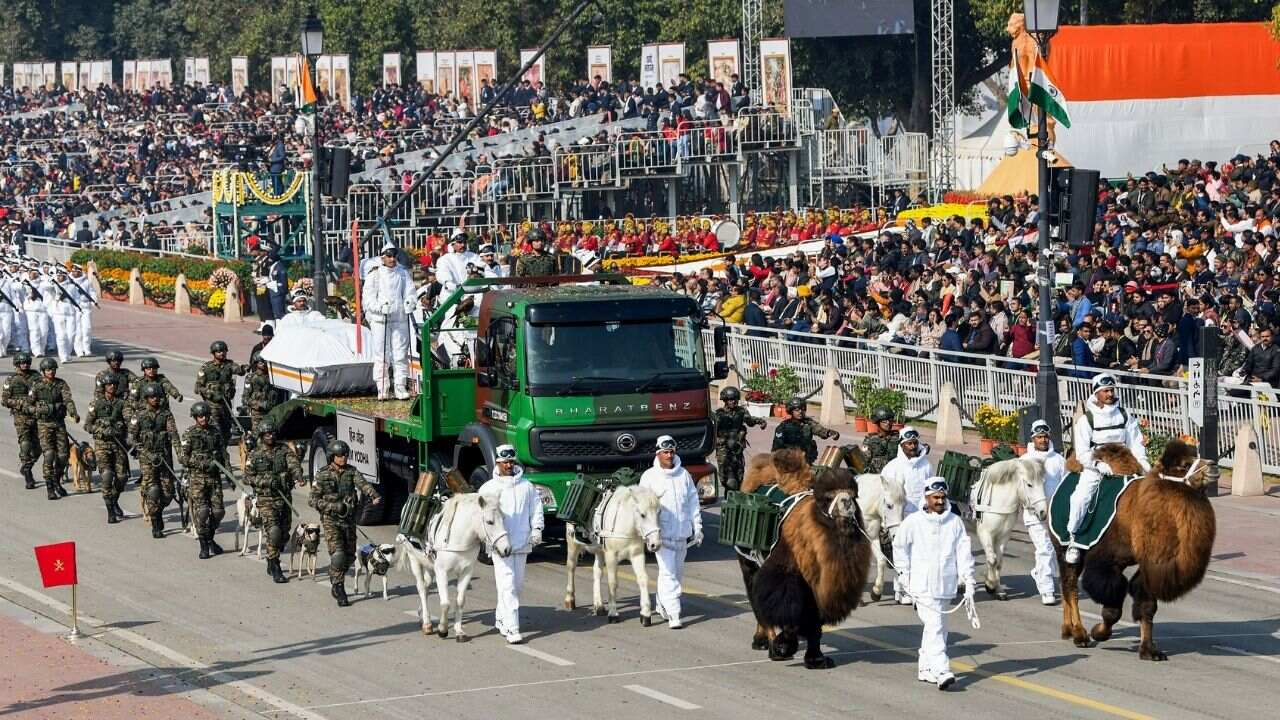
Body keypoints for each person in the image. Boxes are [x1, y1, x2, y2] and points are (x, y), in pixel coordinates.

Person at [892, 478, 976, 691]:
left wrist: (969, 579)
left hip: (946, 585)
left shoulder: (954, 522)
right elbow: (899, 547)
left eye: (942, 497)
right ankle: (942, 669)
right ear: (926, 498)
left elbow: (963, 553)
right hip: (921, 585)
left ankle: (926, 668)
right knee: (936, 626)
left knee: (938, 628)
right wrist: (904, 576)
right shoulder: (914, 521)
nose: (939, 501)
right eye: (935, 497)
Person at [1065, 373, 1150, 564]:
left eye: (1112, 390)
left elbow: (1135, 441)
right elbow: (1082, 453)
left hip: (1124, 462)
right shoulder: (1086, 420)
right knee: (1080, 498)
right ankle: (1073, 540)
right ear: (1096, 394)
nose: (1110, 394)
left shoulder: (1124, 414)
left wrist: (1143, 462)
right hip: (1097, 464)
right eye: (1105, 391)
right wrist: (1099, 465)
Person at [479, 444, 544, 643]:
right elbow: (482, 518)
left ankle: (501, 617)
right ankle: (512, 628)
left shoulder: (527, 486)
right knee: (508, 586)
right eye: (504, 462)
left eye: (511, 461)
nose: (508, 465)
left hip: (523, 542)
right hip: (500, 546)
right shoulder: (488, 488)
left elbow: (537, 508)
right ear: (497, 462)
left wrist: (537, 530)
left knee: (516, 585)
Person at [639, 435, 702, 630]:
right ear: (658, 453)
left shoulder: (683, 475)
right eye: (665, 452)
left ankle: (661, 604)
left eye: (672, 452)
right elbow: (642, 509)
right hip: (662, 535)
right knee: (669, 575)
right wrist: (647, 534)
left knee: (676, 573)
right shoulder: (649, 477)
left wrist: (698, 527)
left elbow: (693, 502)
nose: (669, 455)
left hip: (682, 534)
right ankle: (674, 613)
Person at [310, 439, 382, 607]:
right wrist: (333, 506)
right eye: (339, 455)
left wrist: (373, 495)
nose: (343, 458)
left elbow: (363, 484)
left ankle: (335, 573)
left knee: (349, 556)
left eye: (345, 455)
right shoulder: (322, 475)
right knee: (338, 554)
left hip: (349, 521)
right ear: (332, 456)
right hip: (331, 520)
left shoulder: (351, 472)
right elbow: (312, 500)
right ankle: (338, 586)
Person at [244, 419, 304, 583]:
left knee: (284, 534)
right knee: (274, 532)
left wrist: (298, 477)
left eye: (273, 433)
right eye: (267, 434)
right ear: (262, 435)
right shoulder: (255, 455)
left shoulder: (283, 450)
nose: (271, 436)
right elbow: (247, 477)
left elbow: (293, 465)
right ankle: (276, 564)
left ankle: (271, 558)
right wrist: (266, 481)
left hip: (284, 498)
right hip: (266, 499)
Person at [881, 425, 933, 603]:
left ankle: (910, 588)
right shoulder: (892, 467)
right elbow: (886, 497)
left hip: (921, 517)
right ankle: (902, 589)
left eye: (914, 443)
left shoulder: (926, 465)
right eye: (908, 443)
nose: (912, 446)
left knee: (919, 554)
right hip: (900, 518)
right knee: (902, 555)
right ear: (902, 445)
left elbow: (930, 491)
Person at [362, 243, 415, 400]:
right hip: (381, 321)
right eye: (389, 256)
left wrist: (410, 302)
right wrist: (379, 308)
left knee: (400, 354)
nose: (392, 259)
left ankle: (400, 387)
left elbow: (410, 292)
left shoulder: (403, 274)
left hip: (399, 319)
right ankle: (382, 388)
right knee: (382, 356)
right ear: (382, 257)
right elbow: (368, 299)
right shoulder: (375, 275)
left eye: (394, 256)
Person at [1022, 419, 1065, 605]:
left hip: (1055, 515)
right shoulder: (1024, 461)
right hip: (1034, 515)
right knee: (1045, 549)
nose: (1043, 440)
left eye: (1046, 436)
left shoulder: (1058, 460)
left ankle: (1040, 573)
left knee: (1055, 552)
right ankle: (1047, 590)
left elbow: (1066, 486)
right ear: (1033, 438)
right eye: (1039, 437)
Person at [181, 402, 232, 559]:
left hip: (214, 479)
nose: (204, 419)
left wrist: (229, 474)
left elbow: (224, 455)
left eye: (206, 416)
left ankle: (209, 538)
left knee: (218, 512)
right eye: (200, 416)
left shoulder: (215, 432)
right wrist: (201, 464)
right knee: (202, 512)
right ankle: (204, 544)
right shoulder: (189, 434)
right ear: (195, 417)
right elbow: (183, 457)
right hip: (197, 480)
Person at [130, 383, 180, 537]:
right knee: (153, 490)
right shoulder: (138, 416)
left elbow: (174, 435)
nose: (155, 399)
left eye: (157, 397)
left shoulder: (166, 414)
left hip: (164, 457)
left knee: (168, 492)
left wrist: (180, 454)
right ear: (146, 398)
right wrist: (145, 453)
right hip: (147, 459)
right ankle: (155, 522)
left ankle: (158, 510)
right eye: (152, 397)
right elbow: (131, 439)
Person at [28, 357, 78, 500]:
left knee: (63, 456)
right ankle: (50, 486)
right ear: (43, 371)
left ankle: (56, 480)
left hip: (59, 424)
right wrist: (40, 410)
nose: (51, 372)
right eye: (48, 370)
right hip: (44, 425)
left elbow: (68, 400)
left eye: (53, 369)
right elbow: (28, 405)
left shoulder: (60, 384)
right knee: (49, 455)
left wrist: (73, 412)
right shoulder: (36, 385)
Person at [84, 375, 129, 524]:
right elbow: (87, 425)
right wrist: (101, 431)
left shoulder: (122, 404)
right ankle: (110, 510)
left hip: (118, 444)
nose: (112, 387)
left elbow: (130, 421)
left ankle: (114, 499)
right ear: (104, 387)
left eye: (114, 384)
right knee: (107, 476)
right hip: (102, 445)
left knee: (122, 477)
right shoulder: (96, 404)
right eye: (109, 385)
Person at [711, 386, 766, 491]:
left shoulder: (741, 411)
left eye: (735, 399)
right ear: (725, 401)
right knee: (725, 476)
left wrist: (760, 421)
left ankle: (736, 495)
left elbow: (750, 421)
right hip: (724, 449)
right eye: (730, 400)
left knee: (739, 475)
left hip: (737, 448)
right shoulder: (719, 414)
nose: (733, 402)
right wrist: (722, 441)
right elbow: (712, 431)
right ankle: (728, 490)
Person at [196, 340, 247, 447]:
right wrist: (211, 393)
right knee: (216, 430)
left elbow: (239, 371)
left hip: (226, 404)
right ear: (213, 353)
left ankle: (223, 451)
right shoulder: (206, 368)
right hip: (212, 405)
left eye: (223, 351)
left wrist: (245, 368)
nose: (222, 354)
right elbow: (198, 388)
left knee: (226, 431)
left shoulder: (229, 365)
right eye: (219, 352)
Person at [2, 352, 41, 489]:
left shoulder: (36, 377)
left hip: (36, 416)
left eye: (27, 362)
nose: (25, 365)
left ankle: (26, 466)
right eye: (22, 362)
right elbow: (5, 400)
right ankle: (28, 475)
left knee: (39, 447)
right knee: (25, 444)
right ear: (17, 364)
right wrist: (22, 404)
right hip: (21, 417)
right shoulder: (11, 380)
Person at [771, 397, 839, 463]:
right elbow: (777, 446)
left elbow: (820, 430)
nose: (800, 412)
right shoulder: (783, 426)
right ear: (791, 411)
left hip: (805, 460)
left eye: (803, 409)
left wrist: (830, 433)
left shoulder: (808, 423)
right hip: (789, 461)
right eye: (797, 410)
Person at [242, 354, 280, 433]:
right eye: (261, 362)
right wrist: (259, 404)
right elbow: (245, 399)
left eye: (265, 362)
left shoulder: (273, 378)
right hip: (258, 414)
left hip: (272, 412)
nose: (264, 364)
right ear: (256, 364)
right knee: (257, 434)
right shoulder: (251, 377)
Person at [860, 407, 900, 473]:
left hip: (895, 473)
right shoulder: (870, 440)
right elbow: (864, 460)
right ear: (877, 422)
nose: (888, 423)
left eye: (890, 420)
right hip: (876, 476)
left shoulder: (898, 437)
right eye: (884, 421)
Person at [69, 264, 96, 357]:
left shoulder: (86, 282)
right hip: (75, 308)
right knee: (77, 330)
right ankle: (79, 350)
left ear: (80, 271)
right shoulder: (69, 282)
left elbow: (92, 292)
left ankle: (87, 348)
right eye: (73, 271)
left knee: (87, 329)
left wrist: (94, 301)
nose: (74, 272)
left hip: (85, 307)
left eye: (76, 271)